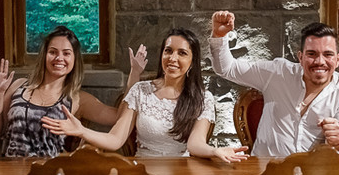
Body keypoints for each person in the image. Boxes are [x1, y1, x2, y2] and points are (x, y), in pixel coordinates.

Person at [42, 28, 249, 162]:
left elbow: (195, 145)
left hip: (183, 171)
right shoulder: (140, 91)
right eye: (168, 51)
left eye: (182, 53)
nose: (172, 58)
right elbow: (116, 139)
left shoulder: (203, 99)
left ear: (192, 62)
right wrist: (81, 131)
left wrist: (215, 151)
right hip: (142, 171)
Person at [210, 13, 339, 157]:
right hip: (265, 172)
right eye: (312, 54)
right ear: (300, 57)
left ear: (338, 59)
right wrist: (219, 36)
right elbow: (227, 69)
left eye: (328, 54)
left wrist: (338, 139)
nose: (320, 61)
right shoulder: (277, 72)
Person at [0, 25, 144, 158]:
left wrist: (134, 75)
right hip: (10, 172)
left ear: (74, 59)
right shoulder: (19, 86)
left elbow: (119, 117)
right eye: (53, 52)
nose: (59, 58)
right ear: (44, 55)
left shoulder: (78, 99)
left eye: (66, 53)